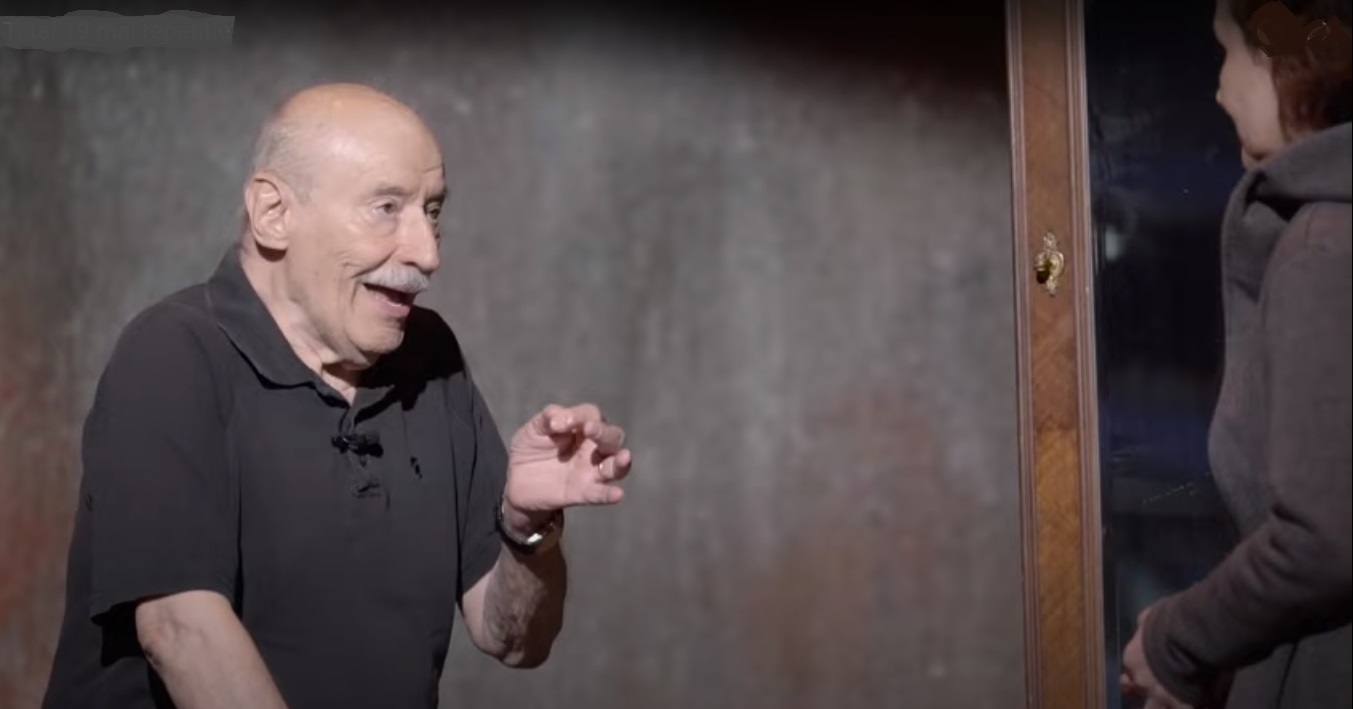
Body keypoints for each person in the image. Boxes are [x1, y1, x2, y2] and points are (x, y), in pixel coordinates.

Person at [41, 83, 634, 709]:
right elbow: (182, 632)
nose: (427, 253)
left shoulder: (431, 358)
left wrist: (527, 530)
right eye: (386, 208)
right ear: (274, 213)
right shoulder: (172, 353)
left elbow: (513, 641)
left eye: (432, 211)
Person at [1119, 1, 1351, 708]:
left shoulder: (1325, 245)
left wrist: (1175, 641)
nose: (1219, 89)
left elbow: (1323, 542)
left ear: (1289, 61)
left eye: (1228, 52)